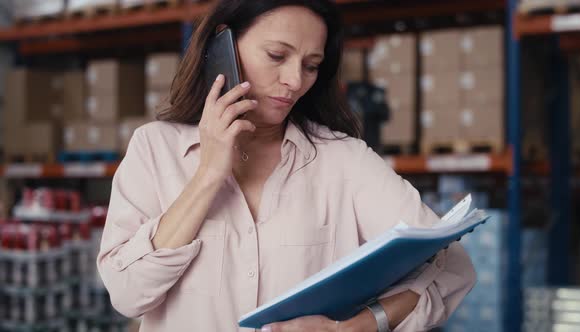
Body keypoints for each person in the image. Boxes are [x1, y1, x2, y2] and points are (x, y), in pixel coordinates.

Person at [97, 0, 476, 331]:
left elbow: (451, 266)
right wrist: (208, 174)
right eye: (277, 56)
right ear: (222, 45)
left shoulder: (343, 161)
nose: (294, 81)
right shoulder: (155, 148)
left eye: (311, 65)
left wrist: (359, 327)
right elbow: (128, 293)